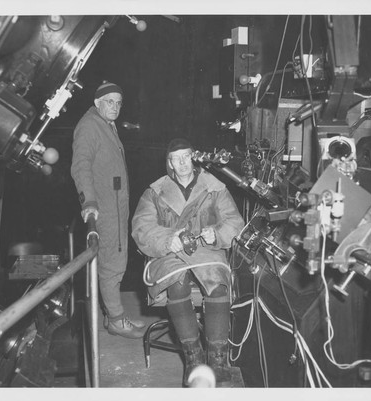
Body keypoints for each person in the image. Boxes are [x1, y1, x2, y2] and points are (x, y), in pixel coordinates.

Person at [131, 138, 245, 387]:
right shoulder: (155, 191)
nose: (182, 163)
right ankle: (193, 357)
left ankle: (217, 358)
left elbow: (235, 222)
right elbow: (141, 227)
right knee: (177, 284)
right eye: (176, 158)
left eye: (186, 156)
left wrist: (217, 233)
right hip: (169, 253)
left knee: (218, 285)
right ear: (169, 162)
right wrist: (165, 239)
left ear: (193, 157)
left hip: (206, 250)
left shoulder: (215, 187)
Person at [71, 81, 145, 339]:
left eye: (118, 102)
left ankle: (111, 313)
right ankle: (115, 319)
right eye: (109, 102)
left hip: (115, 203)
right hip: (105, 205)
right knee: (112, 262)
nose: (115, 107)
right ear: (97, 103)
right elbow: (80, 166)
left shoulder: (104, 123)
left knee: (115, 259)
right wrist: (89, 203)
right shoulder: (89, 127)